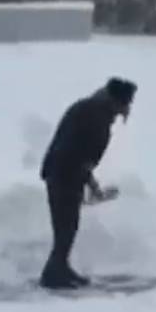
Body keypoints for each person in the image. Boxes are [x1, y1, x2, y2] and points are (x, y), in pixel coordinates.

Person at [39, 77, 136, 289]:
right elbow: (76, 151)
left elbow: (84, 155)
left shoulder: (92, 110)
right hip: (63, 173)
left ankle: (60, 268)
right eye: (125, 104)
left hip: (64, 173)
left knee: (68, 226)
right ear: (116, 100)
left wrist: (88, 181)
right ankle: (53, 275)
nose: (125, 110)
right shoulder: (94, 115)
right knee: (66, 227)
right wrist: (88, 182)